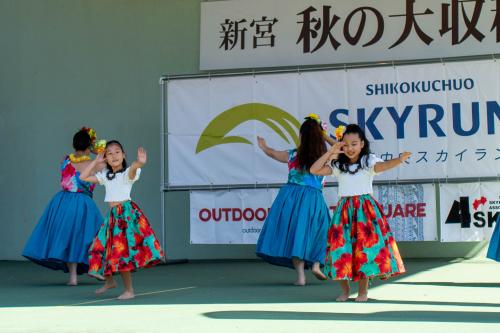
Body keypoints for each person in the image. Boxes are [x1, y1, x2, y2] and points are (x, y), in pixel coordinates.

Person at [310, 124, 409, 302]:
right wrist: (331, 150)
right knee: (341, 251)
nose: (350, 148)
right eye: (345, 145)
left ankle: (363, 292)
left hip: (365, 211)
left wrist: (399, 160)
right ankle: (345, 290)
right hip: (344, 211)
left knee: (364, 251)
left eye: (354, 144)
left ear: (362, 144)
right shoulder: (338, 165)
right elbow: (314, 170)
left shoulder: (368, 162)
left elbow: (383, 166)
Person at [80, 140, 164, 300]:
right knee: (96, 247)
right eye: (109, 153)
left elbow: (132, 170)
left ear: (124, 154)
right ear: (106, 158)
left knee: (122, 253)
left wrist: (138, 163)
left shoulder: (127, 173)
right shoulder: (105, 175)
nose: (114, 155)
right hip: (113, 216)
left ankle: (129, 290)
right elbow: (83, 177)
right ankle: (110, 281)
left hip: (126, 214)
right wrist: (96, 162)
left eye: (117, 152)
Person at [256, 114, 334, 286]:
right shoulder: (325, 156)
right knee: (321, 231)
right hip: (313, 197)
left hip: (291, 196)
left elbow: (272, 153)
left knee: (296, 234)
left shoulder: (292, 154)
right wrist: (325, 136)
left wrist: (264, 147)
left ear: (301, 136)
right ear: (318, 136)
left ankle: (300, 277)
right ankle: (315, 264)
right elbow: (340, 149)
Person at [23, 127, 104, 286]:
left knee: (68, 237)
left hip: (63, 202)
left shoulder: (65, 160)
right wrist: (96, 153)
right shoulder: (95, 164)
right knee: (91, 237)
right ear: (90, 146)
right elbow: (104, 170)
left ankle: (73, 277)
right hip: (83, 203)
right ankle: (93, 268)